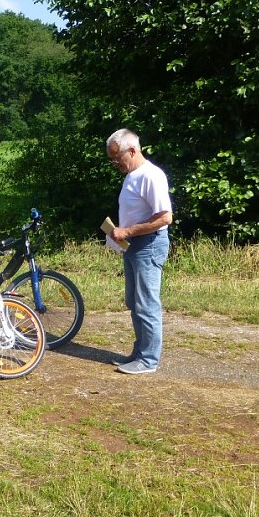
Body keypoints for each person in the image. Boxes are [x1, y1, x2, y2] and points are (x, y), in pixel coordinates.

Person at [106, 128, 173, 375]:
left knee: (146, 303)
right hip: (133, 246)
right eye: (111, 159)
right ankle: (140, 352)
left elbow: (165, 218)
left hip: (149, 245)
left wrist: (127, 231)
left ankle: (148, 360)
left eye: (117, 158)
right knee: (134, 301)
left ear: (132, 151)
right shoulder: (131, 175)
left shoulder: (151, 176)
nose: (115, 163)